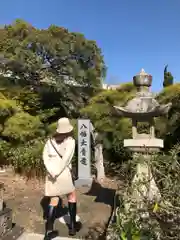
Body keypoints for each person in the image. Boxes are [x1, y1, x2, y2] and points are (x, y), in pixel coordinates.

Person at [42, 117, 79, 239]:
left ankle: (48, 231)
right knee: (71, 196)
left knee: (54, 199)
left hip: (51, 174)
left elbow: (45, 158)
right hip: (63, 173)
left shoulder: (50, 141)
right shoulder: (71, 141)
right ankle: (72, 227)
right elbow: (66, 159)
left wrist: (51, 170)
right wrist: (57, 171)